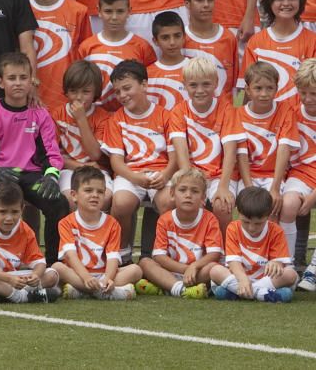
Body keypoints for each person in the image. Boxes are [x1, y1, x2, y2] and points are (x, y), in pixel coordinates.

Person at [0, 52, 67, 265]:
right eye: (12, 78)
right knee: (4, 205)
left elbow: (52, 151)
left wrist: (52, 176)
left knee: (59, 203)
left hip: (32, 177)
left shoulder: (41, 114)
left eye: (23, 77)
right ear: (1, 82)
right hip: (2, 176)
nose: (18, 83)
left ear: (31, 80)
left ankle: (54, 264)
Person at [103, 59, 176, 262]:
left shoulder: (165, 115)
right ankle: (123, 253)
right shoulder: (117, 119)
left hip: (161, 171)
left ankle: (164, 254)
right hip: (130, 172)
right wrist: (135, 177)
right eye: (117, 92)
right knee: (121, 203)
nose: (122, 96)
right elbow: (116, 163)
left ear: (144, 84)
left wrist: (166, 175)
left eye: (127, 88)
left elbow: (175, 156)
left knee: (168, 203)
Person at [168, 57, 240, 234]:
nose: (200, 91)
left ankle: (224, 253)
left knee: (222, 206)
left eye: (206, 84)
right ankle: (189, 250)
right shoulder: (179, 111)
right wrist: (193, 185)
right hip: (192, 173)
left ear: (216, 82)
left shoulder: (226, 109)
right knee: (181, 201)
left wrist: (223, 187)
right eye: (193, 85)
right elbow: (182, 154)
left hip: (220, 175)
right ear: (184, 85)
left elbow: (230, 153)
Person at [52, 165, 141, 300]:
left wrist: (108, 278)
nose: (95, 195)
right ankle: (109, 293)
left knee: (136, 270)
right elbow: (70, 256)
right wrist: (86, 277)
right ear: (74, 195)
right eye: (88, 190)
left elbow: (112, 258)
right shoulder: (66, 223)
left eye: (100, 192)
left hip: (103, 274)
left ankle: (82, 291)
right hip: (78, 274)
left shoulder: (112, 223)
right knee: (57, 267)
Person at [0, 181, 61, 303]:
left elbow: (39, 263)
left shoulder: (26, 230)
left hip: (13, 278)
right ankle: (21, 297)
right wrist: (8, 279)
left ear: (22, 209)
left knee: (52, 275)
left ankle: (1, 295)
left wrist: (35, 275)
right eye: (3, 212)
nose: (9, 218)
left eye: (14, 212)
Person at [135, 168, 220, 299]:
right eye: (182, 190)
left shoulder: (210, 219)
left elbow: (214, 254)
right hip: (171, 271)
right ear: (172, 193)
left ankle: (166, 288)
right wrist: (185, 269)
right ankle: (181, 290)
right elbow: (159, 256)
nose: (188, 195)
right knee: (145, 262)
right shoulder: (165, 219)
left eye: (195, 191)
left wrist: (194, 267)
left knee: (214, 268)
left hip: (197, 272)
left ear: (203, 197)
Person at [26, 0, 92, 108]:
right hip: (33, 101)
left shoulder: (78, 11)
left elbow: (87, 59)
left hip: (69, 102)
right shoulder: (22, 11)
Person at [209, 186, 298, 302]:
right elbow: (233, 262)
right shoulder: (233, 228)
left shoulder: (276, 231)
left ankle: (241, 293)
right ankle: (262, 295)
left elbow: (279, 262)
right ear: (238, 212)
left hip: (266, 280)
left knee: (291, 274)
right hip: (239, 278)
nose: (251, 228)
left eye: (258, 223)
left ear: (268, 215)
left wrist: (275, 263)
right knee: (214, 270)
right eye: (246, 222)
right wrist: (242, 279)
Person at [77, 0, 155, 111]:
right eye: (108, 11)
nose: (114, 17)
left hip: (130, 118)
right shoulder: (86, 47)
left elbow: (148, 86)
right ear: (99, 11)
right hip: (95, 117)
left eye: (120, 11)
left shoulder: (142, 47)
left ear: (129, 11)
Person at [240, 0, 316, 103]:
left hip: (301, 120)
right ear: (269, 2)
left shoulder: (312, 41)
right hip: (267, 119)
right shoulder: (256, 42)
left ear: (301, 1)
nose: (286, 3)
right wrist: (240, 117)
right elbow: (246, 89)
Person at [233, 61, 299, 211]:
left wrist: (275, 188)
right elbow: (241, 154)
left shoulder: (285, 111)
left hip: (273, 176)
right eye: (258, 88)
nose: (264, 94)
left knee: (272, 208)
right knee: (250, 211)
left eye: (269, 88)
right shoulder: (237, 115)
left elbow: (284, 149)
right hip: (247, 176)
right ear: (248, 90)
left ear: (277, 88)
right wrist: (249, 188)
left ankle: (277, 235)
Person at [50, 60, 112, 209]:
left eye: (86, 92)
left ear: (96, 92)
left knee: (106, 198)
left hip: (98, 170)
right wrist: (81, 166)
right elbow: (54, 155)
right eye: (73, 91)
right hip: (69, 169)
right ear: (66, 91)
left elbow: (96, 154)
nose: (78, 97)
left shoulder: (103, 117)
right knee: (71, 199)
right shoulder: (57, 114)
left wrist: (81, 119)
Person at [182, 0, 239, 98]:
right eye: (200, 0)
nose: (206, 4)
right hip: (189, 113)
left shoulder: (229, 37)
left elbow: (237, 85)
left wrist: (235, 112)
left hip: (224, 113)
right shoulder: (180, 38)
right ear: (187, 3)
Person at [293, 60, 316, 291]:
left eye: (314, 93)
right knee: (289, 203)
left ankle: (313, 272)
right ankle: (291, 262)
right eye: (303, 92)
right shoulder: (290, 110)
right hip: (300, 174)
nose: (308, 98)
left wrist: (312, 198)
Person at [146, 11, 189, 110]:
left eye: (177, 36)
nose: (172, 42)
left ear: (184, 37)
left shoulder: (196, 68)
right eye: (165, 38)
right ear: (155, 41)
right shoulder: (148, 74)